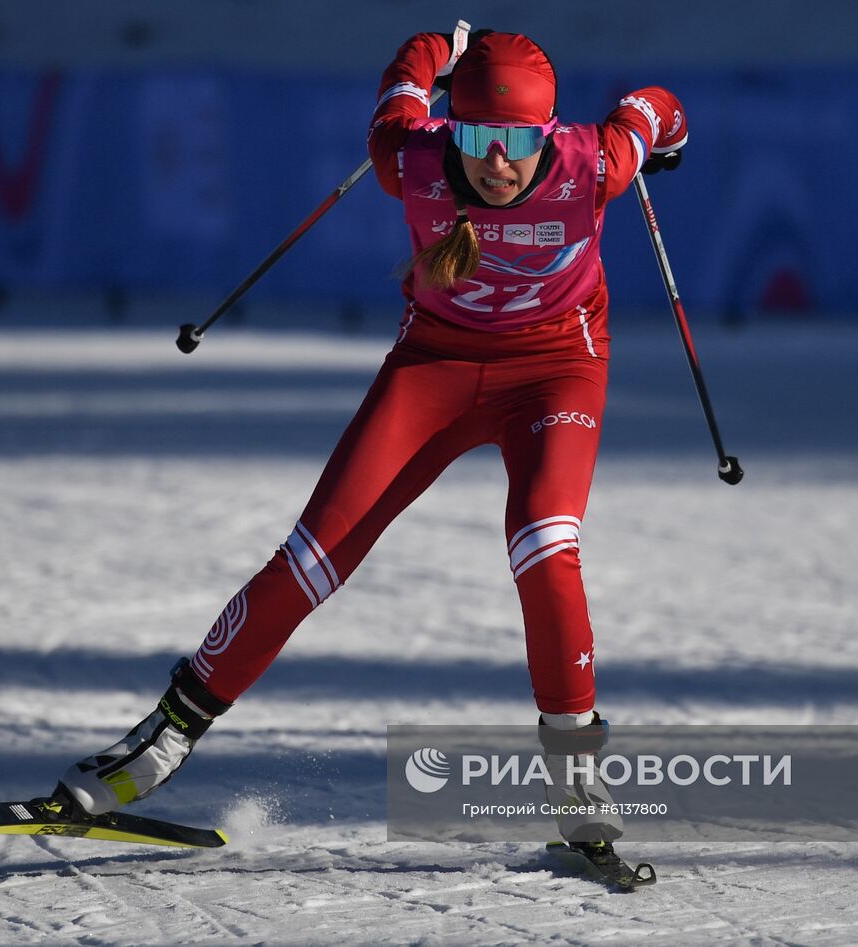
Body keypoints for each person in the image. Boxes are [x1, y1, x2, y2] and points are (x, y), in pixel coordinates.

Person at [54, 30, 687, 868]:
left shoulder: (594, 163)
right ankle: (162, 740)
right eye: (478, 139)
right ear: (450, 131)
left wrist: (666, 137)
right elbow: (408, 72)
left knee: (544, 543)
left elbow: (657, 107)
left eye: (520, 143)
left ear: (550, 133)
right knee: (311, 557)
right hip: (435, 363)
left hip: (555, 370)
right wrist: (438, 48)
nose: (499, 163)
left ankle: (576, 780)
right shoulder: (408, 157)